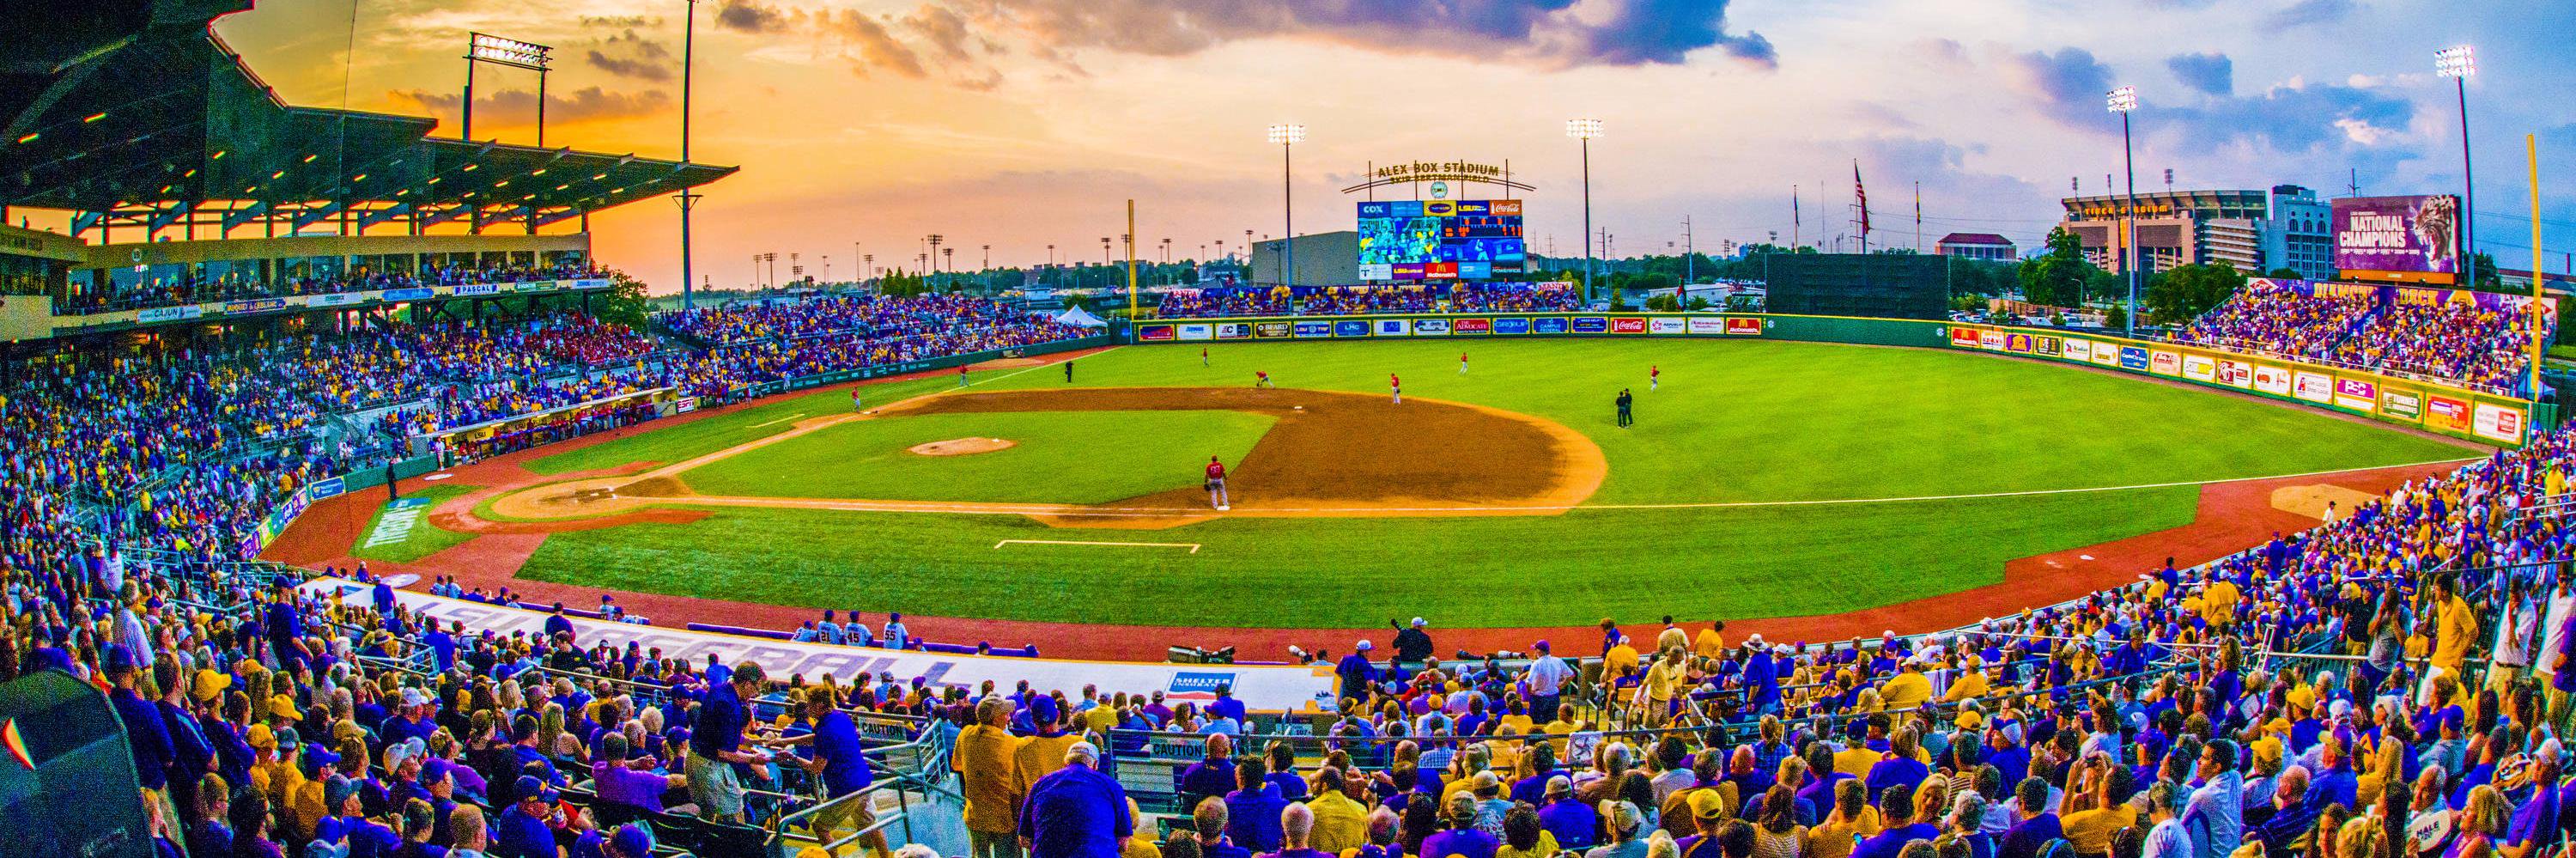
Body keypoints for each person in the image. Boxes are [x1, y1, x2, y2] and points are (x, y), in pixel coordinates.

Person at [686, 661, 771, 823]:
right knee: (734, 819)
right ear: (747, 684)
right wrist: (753, 759)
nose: (756, 694)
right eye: (757, 689)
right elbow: (724, 753)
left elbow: (721, 733)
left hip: (697, 759)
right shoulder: (730, 706)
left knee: (708, 818)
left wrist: (755, 742)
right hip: (710, 766)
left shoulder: (718, 689)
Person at [1018, 742, 1130, 858]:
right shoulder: (1111, 785)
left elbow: (1024, 839)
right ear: (1096, 765)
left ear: (1066, 763)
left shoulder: (1041, 783)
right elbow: (1123, 843)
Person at [956, 697, 1024, 858]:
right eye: (1006, 714)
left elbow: (957, 765)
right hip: (1004, 819)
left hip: (976, 816)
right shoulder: (1013, 743)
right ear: (996, 718)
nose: (1009, 717)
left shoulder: (965, 734)